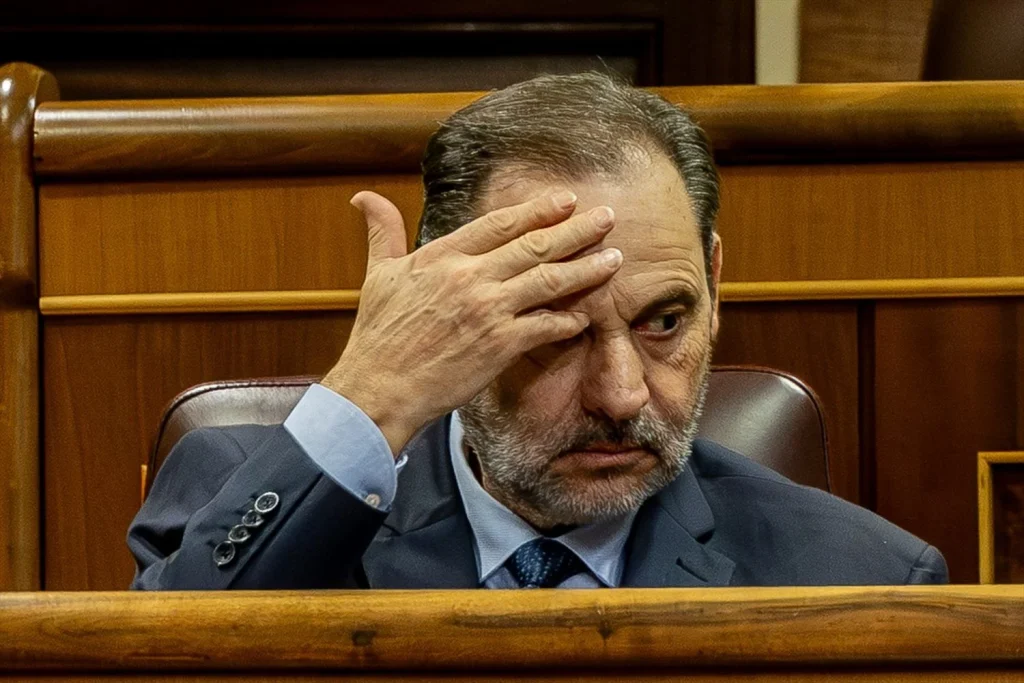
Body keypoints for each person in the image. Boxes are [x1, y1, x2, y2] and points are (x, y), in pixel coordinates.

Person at [129, 72, 947, 590]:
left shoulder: (859, 578)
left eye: (666, 320)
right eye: (554, 328)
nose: (624, 394)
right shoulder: (235, 486)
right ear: (444, 314)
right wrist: (369, 398)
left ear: (717, 284)